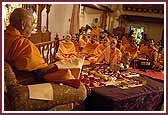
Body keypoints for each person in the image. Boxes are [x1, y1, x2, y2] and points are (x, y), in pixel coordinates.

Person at [4, 8, 75, 81]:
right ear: (23, 24)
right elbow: (42, 71)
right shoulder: (24, 44)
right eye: (31, 24)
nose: (32, 28)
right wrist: (60, 67)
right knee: (68, 76)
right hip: (23, 83)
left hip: (8, 81)